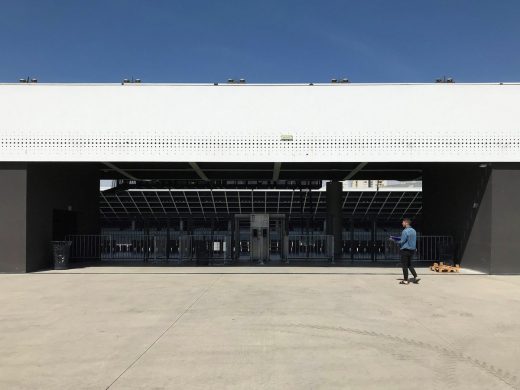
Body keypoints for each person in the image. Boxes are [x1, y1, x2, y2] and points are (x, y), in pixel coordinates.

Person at [394, 218, 420, 285]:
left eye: (403, 222)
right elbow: (412, 240)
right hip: (412, 250)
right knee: (409, 264)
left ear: (406, 223)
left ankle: (405, 280)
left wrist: (395, 240)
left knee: (404, 265)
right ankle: (415, 277)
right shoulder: (414, 231)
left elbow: (402, 241)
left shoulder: (405, 231)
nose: (402, 223)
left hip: (405, 250)